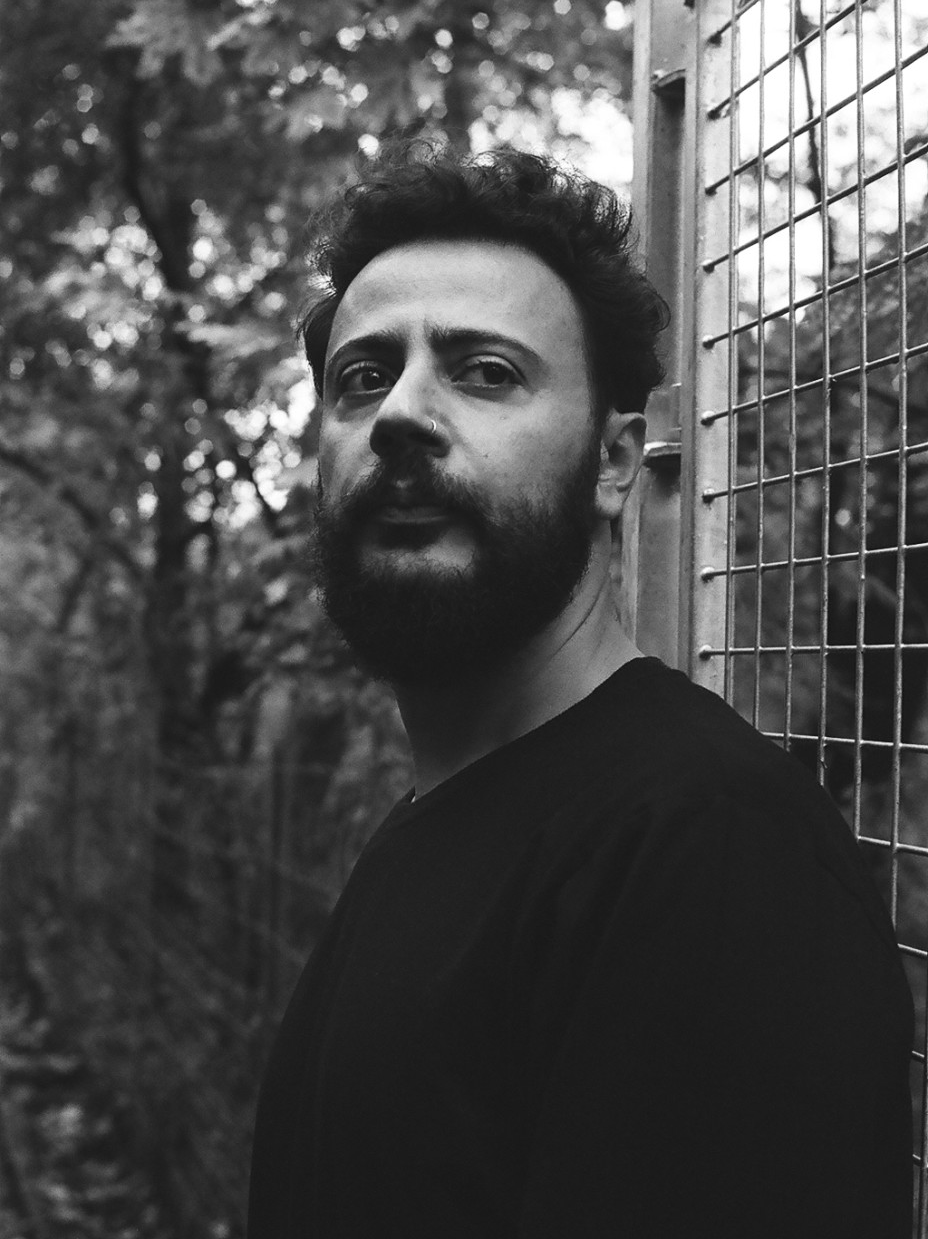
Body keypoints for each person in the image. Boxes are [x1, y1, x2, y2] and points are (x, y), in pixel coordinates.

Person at [247, 143, 914, 1238]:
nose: (400, 412)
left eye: (484, 371)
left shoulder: (707, 855)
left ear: (615, 461)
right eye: (362, 377)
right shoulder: (438, 817)